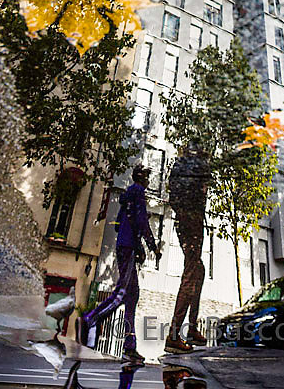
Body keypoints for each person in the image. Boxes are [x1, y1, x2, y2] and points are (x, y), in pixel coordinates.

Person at [77, 164, 161, 363]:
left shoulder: (128, 196)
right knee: (122, 293)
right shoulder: (138, 192)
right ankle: (90, 319)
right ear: (141, 178)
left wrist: (136, 239)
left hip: (124, 246)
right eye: (147, 177)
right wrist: (152, 247)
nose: (148, 181)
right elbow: (141, 223)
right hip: (128, 247)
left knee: (132, 295)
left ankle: (129, 346)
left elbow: (119, 225)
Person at [164, 147, 211, 354]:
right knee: (191, 273)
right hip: (191, 223)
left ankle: (191, 328)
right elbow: (196, 195)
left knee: (198, 270)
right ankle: (174, 335)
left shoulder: (182, 165)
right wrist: (191, 215)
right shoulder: (197, 166)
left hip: (186, 222)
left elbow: (174, 196)